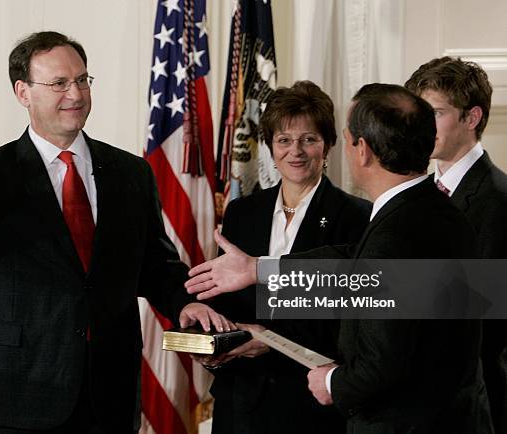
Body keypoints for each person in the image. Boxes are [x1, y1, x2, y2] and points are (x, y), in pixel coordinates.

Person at [0, 31, 232, 434]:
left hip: (109, 392)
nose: (75, 93)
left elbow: (153, 263)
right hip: (20, 390)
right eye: (59, 83)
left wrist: (182, 302)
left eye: (82, 79)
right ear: (23, 92)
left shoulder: (131, 172)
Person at [186, 84, 493, 433]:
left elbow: (384, 356)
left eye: (344, 139)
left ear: (360, 149)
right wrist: (257, 268)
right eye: (283, 140)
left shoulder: (395, 231)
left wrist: (332, 382)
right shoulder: (439, 213)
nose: (296, 150)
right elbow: (354, 267)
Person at [205, 81, 371, 434]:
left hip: (311, 401)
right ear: (270, 146)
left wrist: (270, 341)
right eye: (283, 140)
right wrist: (215, 343)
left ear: (327, 145)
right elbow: (228, 301)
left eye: (309, 139)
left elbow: (350, 317)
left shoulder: (357, 217)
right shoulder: (241, 212)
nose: (295, 151)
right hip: (242, 398)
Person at [405, 56, 507, 433]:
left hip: (470, 408)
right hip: (420, 403)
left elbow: (484, 325)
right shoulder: (418, 194)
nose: (421, 126)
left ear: (472, 117)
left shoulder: (498, 199)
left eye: (434, 113)